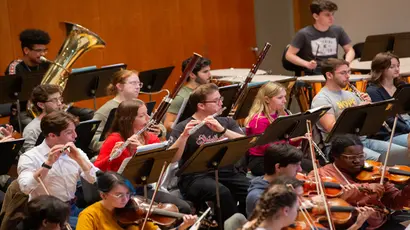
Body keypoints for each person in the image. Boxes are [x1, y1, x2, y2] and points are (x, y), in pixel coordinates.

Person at [169, 83, 249, 223]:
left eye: (220, 99)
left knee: (250, 190)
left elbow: (246, 142)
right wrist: (183, 137)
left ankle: (246, 223)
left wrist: (223, 131)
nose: (221, 103)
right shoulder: (182, 127)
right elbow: (173, 158)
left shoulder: (226, 122)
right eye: (216, 100)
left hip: (225, 171)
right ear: (201, 106)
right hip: (194, 177)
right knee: (222, 192)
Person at [94, 99, 192, 214]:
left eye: (147, 113)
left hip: (145, 188)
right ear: (129, 120)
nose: (148, 118)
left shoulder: (151, 137)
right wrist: (112, 157)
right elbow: (96, 170)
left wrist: (183, 137)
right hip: (121, 192)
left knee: (183, 208)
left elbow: (168, 160)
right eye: (142, 115)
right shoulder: (115, 139)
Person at [311, 58, 410, 162]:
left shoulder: (351, 95)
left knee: (404, 153)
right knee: (381, 159)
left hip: (362, 141)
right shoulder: (322, 99)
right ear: (329, 75)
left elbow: (371, 124)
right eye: (343, 73)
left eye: (348, 72)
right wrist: (355, 111)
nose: (348, 76)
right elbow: (331, 128)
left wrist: (371, 108)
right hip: (341, 148)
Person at [308, 134, 410, 230]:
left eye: (361, 156)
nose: (357, 161)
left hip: (379, 222)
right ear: (335, 156)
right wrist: (365, 187)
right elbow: (323, 205)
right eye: (350, 158)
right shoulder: (321, 175)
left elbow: (394, 202)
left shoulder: (374, 172)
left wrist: (407, 191)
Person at [17, 111, 98, 229]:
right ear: (52, 135)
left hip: (71, 208)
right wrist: (47, 164)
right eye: (69, 132)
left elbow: (96, 180)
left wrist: (80, 160)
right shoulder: (30, 157)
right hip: (46, 215)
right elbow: (25, 188)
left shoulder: (76, 152)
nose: (75, 136)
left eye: (74, 130)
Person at [77, 171, 197, 230]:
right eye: (119, 195)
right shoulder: (89, 216)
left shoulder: (135, 210)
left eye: (128, 194)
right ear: (103, 196)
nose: (126, 199)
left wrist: (182, 226)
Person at [245, 82, 303, 176]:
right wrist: (288, 141)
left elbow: (285, 141)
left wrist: (300, 137)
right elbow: (267, 147)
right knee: (298, 171)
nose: (284, 101)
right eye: (280, 98)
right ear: (267, 99)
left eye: (285, 96)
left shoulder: (279, 115)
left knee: (308, 166)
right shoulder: (259, 120)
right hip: (261, 161)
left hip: (279, 157)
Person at [285, 0, 354, 75]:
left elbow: (350, 50)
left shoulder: (338, 30)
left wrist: (346, 63)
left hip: (333, 71)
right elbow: (289, 55)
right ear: (316, 16)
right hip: (314, 72)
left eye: (332, 14)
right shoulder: (303, 33)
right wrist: (307, 64)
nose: (331, 18)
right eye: (327, 15)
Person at [89, 69, 144, 153]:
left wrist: (160, 131)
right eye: (133, 83)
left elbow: (157, 124)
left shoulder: (139, 105)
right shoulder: (106, 110)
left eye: (139, 84)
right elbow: (92, 141)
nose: (137, 87)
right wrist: (116, 143)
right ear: (119, 86)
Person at [246, 144, 303, 216]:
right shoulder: (258, 197)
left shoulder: (282, 184)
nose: (300, 170)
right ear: (278, 167)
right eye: (295, 165)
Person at [366, 52, 409, 148]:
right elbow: (386, 118)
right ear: (381, 69)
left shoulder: (402, 86)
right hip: (391, 133)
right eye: (392, 67)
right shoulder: (373, 91)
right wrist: (408, 128)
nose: (397, 69)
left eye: (398, 66)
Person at [164, 56, 211, 132]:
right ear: (192, 75)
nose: (209, 75)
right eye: (205, 72)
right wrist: (189, 127)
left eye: (209, 71)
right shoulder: (180, 97)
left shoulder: (207, 91)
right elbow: (167, 124)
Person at [20, 84, 63, 154]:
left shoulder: (65, 121)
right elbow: (31, 158)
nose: (59, 103)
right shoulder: (32, 130)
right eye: (54, 100)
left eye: (60, 99)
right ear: (41, 105)